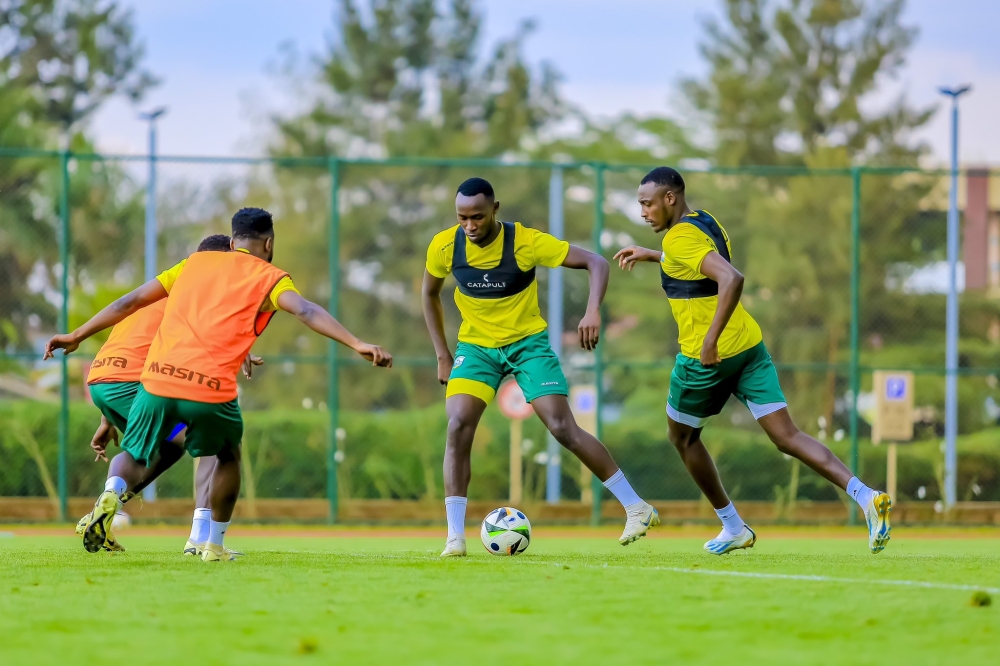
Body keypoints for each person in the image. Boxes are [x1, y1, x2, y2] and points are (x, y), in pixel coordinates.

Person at [46, 207, 392, 561]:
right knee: (226, 454)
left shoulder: (192, 265)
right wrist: (357, 343)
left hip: (155, 384)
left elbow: (128, 301)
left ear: (231, 240)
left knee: (137, 451)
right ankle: (212, 544)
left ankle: (113, 491)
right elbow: (306, 311)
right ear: (269, 243)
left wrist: (76, 335)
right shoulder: (270, 276)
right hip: (207, 388)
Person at [614, 166, 891, 555]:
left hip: (706, 358)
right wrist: (655, 255)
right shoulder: (703, 221)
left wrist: (710, 340)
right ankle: (866, 496)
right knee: (787, 436)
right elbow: (698, 265)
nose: (642, 212)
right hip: (748, 347)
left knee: (682, 437)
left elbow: (731, 278)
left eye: (647, 203)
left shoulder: (679, 240)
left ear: (669, 199)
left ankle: (733, 526)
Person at [422, 177, 658, 557]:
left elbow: (596, 263)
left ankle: (637, 507)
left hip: (528, 344)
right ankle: (454, 537)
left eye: (478, 217)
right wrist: (442, 353)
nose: (470, 226)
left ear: (495, 210)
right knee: (458, 425)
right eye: (463, 218)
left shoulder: (526, 242)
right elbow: (429, 293)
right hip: (477, 348)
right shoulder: (445, 246)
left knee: (563, 427)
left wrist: (592, 311)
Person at [75, 234, 243, 554]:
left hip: (103, 381)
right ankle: (201, 537)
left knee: (170, 446)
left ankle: (109, 501)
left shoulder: (160, 291)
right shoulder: (195, 297)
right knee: (208, 434)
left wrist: (107, 418)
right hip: (136, 383)